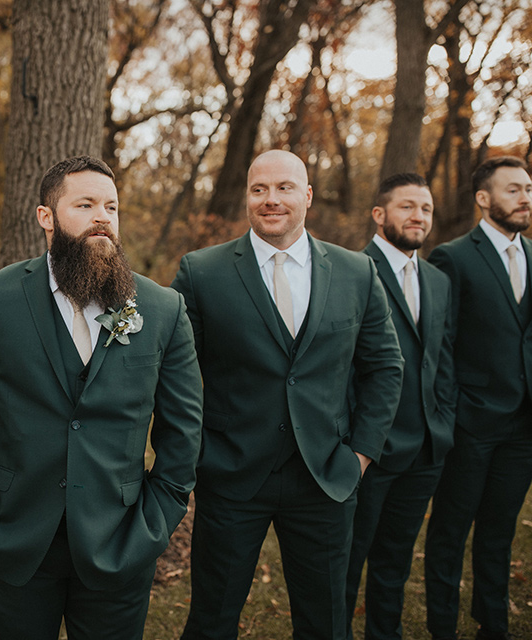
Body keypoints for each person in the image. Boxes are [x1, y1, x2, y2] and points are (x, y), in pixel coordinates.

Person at [0, 155, 203, 640]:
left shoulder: (161, 308)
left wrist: (157, 518)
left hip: (121, 539)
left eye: (111, 207)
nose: (103, 216)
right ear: (46, 216)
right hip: (11, 533)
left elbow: (184, 426)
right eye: (86, 204)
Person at [172, 149, 405, 640]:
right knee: (212, 619)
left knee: (325, 621)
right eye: (259, 189)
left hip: (325, 476)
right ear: (247, 197)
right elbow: (176, 374)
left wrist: (360, 454)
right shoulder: (201, 271)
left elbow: (385, 367)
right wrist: (193, 451)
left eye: (284, 188)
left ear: (308, 196)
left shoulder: (357, 272)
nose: (271, 199)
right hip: (232, 476)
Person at [344, 173, 456, 640]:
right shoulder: (349, 269)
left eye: (426, 209)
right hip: (369, 452)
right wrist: (356, 444)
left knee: (394, 563)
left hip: (426, 450)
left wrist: (443, 422)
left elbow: (443, 359)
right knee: (347, 565)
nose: (418, 217)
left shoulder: (437, 280)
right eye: (408, 206)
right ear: (380, 214)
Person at [425, 155, 532, 640]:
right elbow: (441, 345)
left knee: (499, 532)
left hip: (523, 427)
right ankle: (443, 627)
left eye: (528, 188)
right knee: (449, 534)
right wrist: (452, 418)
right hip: (470, 425)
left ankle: (494, 625)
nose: (525, 197)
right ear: (484, 199)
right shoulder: (454, 257)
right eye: (513, 189)